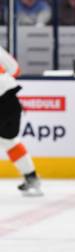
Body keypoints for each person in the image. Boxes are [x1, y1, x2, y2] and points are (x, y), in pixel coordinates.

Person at [0, 46, 42, 196]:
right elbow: (15, 70)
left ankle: (32, 179)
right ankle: (32, 178)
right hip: (11, 100)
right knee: (10, 142)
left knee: (9, 142)